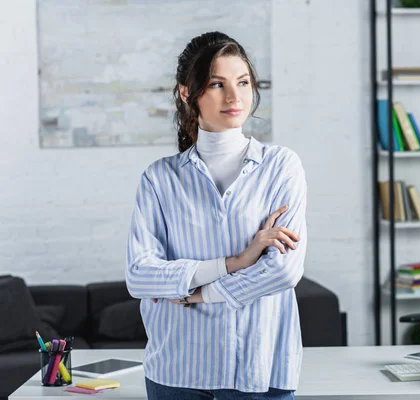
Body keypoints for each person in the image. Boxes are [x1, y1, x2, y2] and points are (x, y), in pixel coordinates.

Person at [125, 31, 307, 400]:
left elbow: (284, 270)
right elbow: (140, 275)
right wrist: (236, 262)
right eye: (216, 84)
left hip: (260, 370)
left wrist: (199, 293)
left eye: (242, 82)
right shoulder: (159, 178)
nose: (234, 96)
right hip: (177, 371)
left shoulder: (281, 166)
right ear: (187, 93)